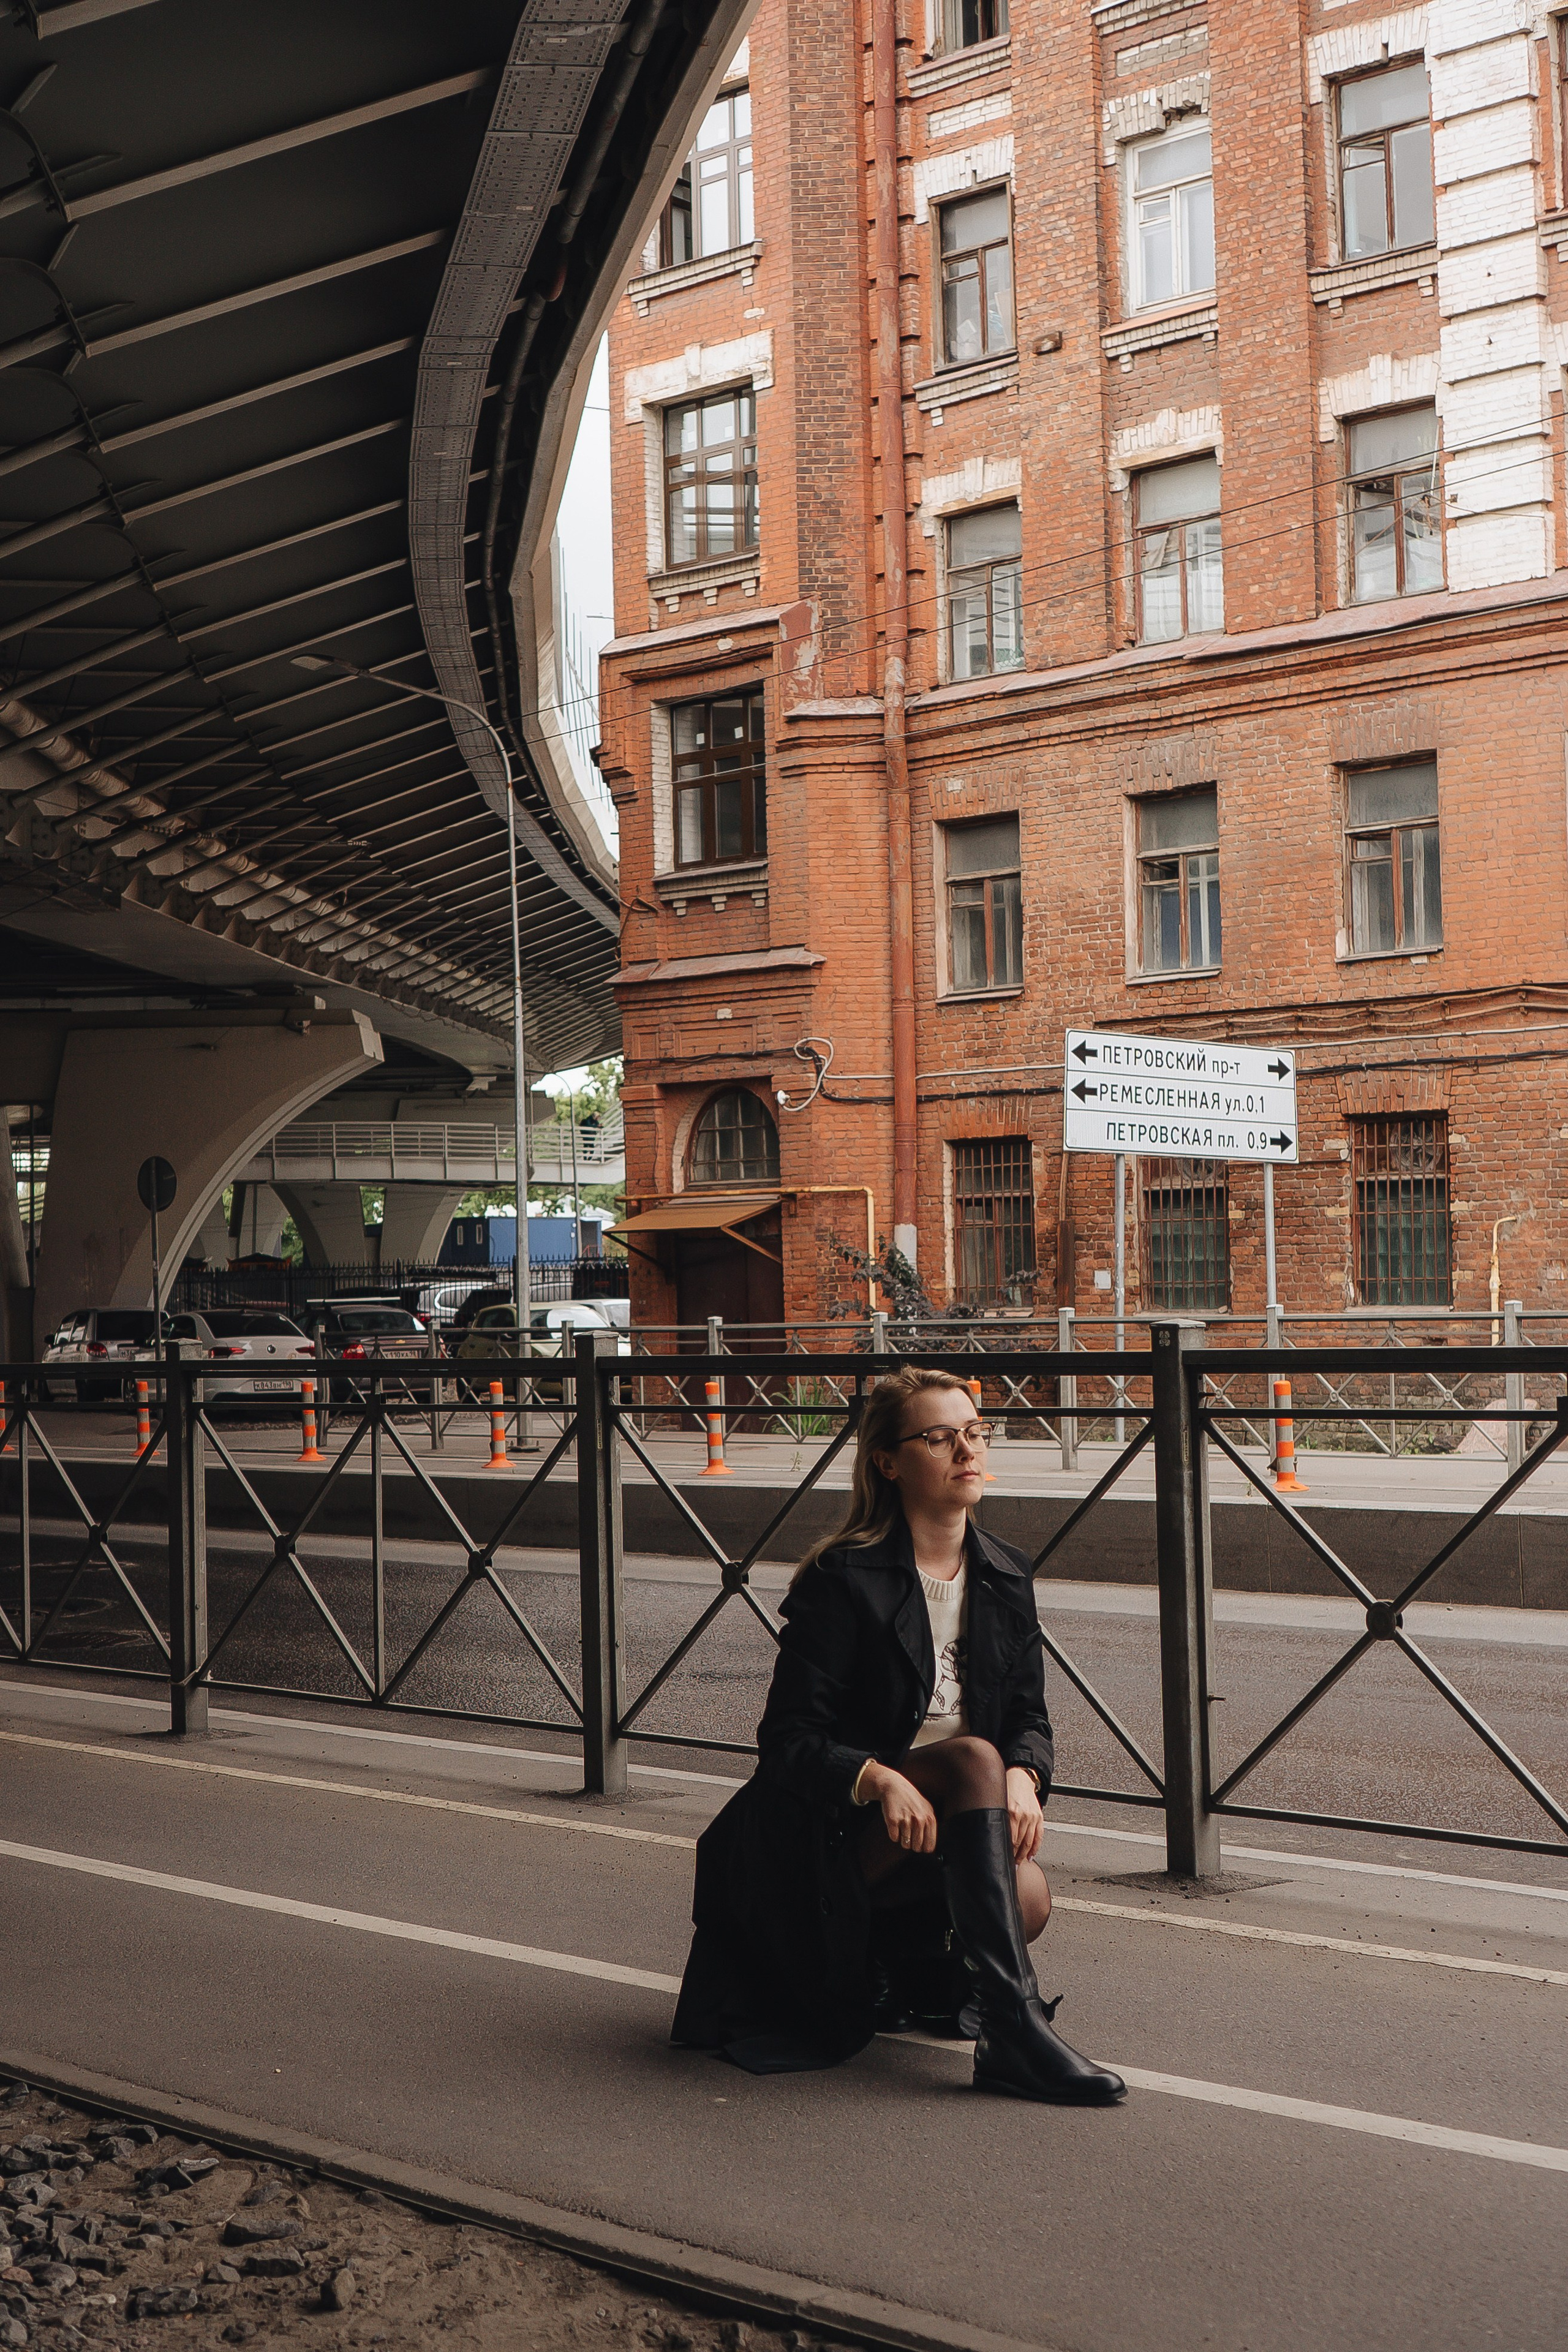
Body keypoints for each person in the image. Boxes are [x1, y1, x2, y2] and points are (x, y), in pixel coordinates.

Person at [671, 1365, 1125, 2105]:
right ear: (889, 1462)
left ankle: (890, 1966)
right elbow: (788, 1741)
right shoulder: (843, 1580)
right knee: (974, 1758)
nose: (967, 1452)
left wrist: (1025, 1775)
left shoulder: (1005, 1573)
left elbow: (1027, 1720)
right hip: (821, 1833)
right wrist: (879, 1778)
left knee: (1030, 1894)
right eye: (940, 1438)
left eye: (975, 1433)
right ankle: (1013, 2031)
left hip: (931, 1828)